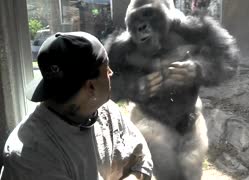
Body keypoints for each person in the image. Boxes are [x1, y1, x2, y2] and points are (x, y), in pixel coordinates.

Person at [0, 31, 153, 180]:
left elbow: (143, 160)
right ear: (91, 87)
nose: (111, 73)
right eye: (106, 69)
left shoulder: (107, 111)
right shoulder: (31, 155)